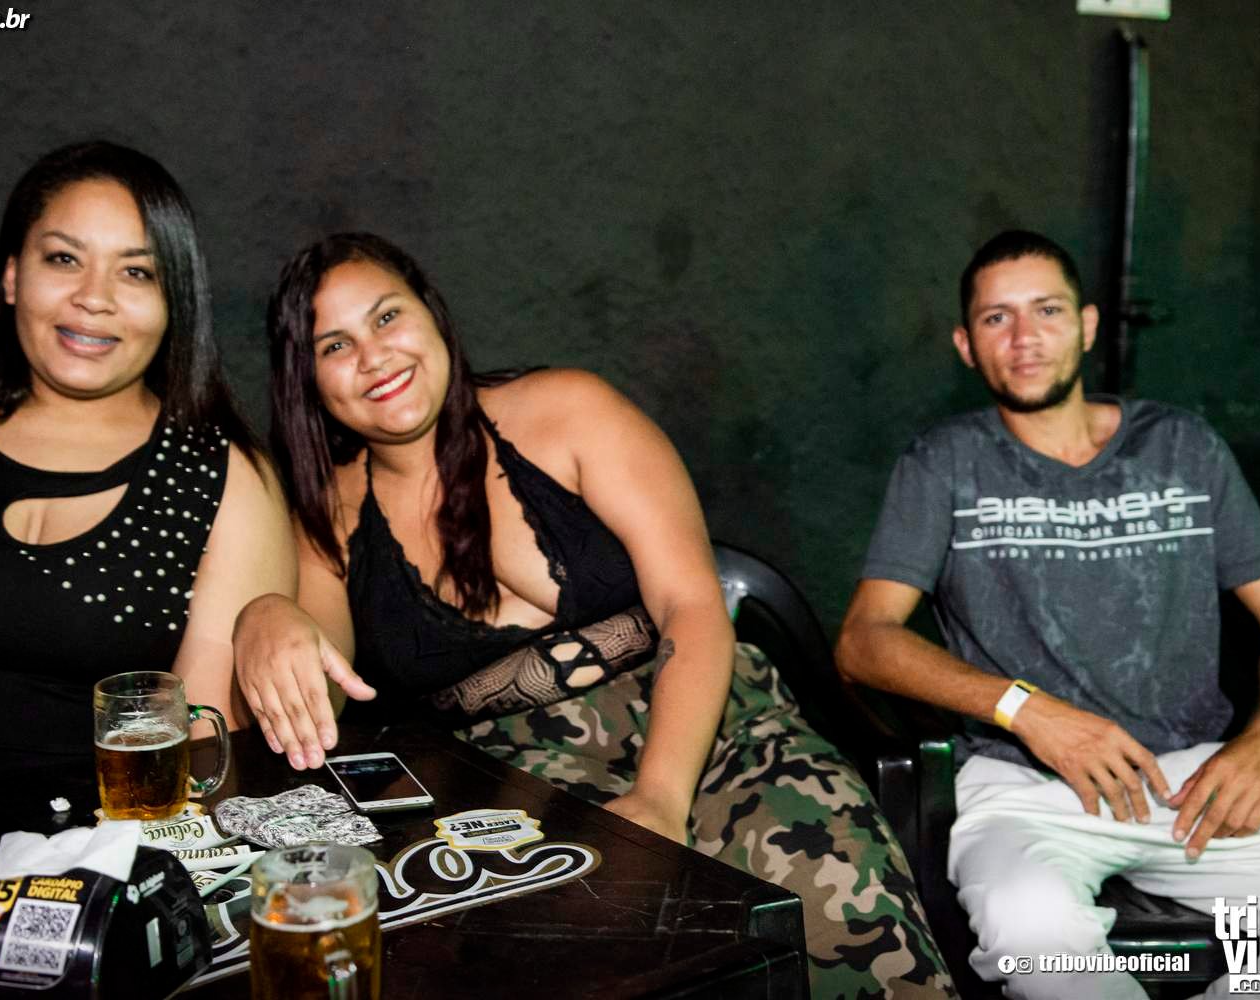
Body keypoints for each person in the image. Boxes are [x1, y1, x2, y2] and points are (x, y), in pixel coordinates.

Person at [232, 232, 955, 998]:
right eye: (335, 345)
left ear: (433, 315)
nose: (374, 356)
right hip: (512, 783)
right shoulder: (330, 518)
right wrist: (266, 615)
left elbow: (692, 605)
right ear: (307, 379)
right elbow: (322, 692)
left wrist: (660, 799)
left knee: (848, 919)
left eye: (387, 317)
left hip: (715, 719)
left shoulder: (568, 410)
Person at [836, 229, 1260, 998]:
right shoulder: (944, 462)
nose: (1024, 337)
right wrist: (1026, 710)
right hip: (1023, 788)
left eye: (1047, 310)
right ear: (966, 345)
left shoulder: (1182, 447)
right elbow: (865, 640)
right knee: (1034, 937)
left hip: (1192, 780)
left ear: (1088, 325)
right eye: (997, 318)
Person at [0, 141, 295, 806]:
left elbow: (200, 754)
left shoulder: (225, 474)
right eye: (64, 259)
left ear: (175, 302)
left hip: (112, 852)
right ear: (12, 275)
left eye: (136, 272)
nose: (93, 297)